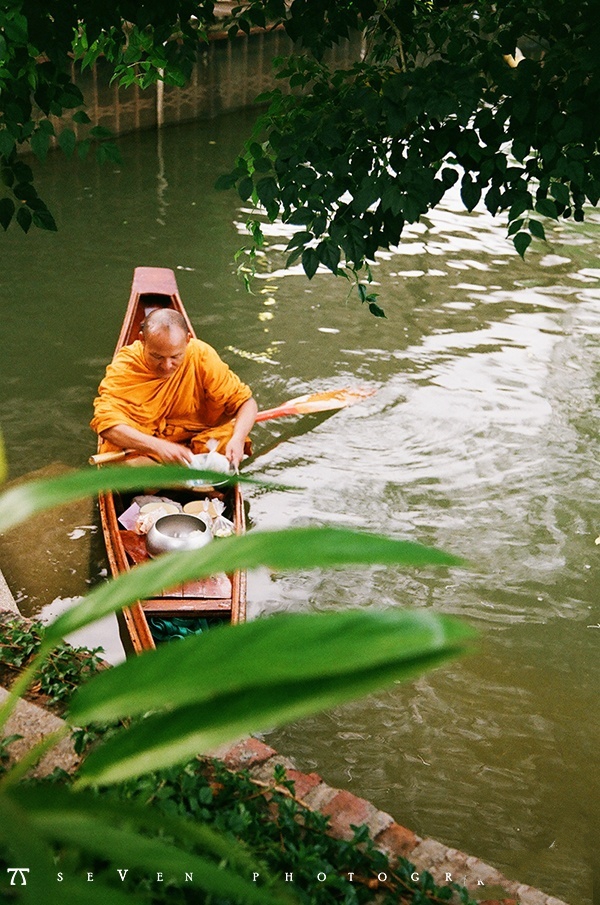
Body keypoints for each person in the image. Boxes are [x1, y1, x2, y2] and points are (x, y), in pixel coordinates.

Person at [91, 308, 257, 468]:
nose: (167, 365)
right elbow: (107, 425)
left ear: (187, 340)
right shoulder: (126, 366)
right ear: (142, 340)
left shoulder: (201, 356)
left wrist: (239, 438)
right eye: (157, 356)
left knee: (228, 437)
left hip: (199, 442)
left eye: (176, 356)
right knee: (115, 452)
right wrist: (159, 447)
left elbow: (246, 403)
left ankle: (177, 480)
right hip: (148, 448)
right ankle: (195, 485)